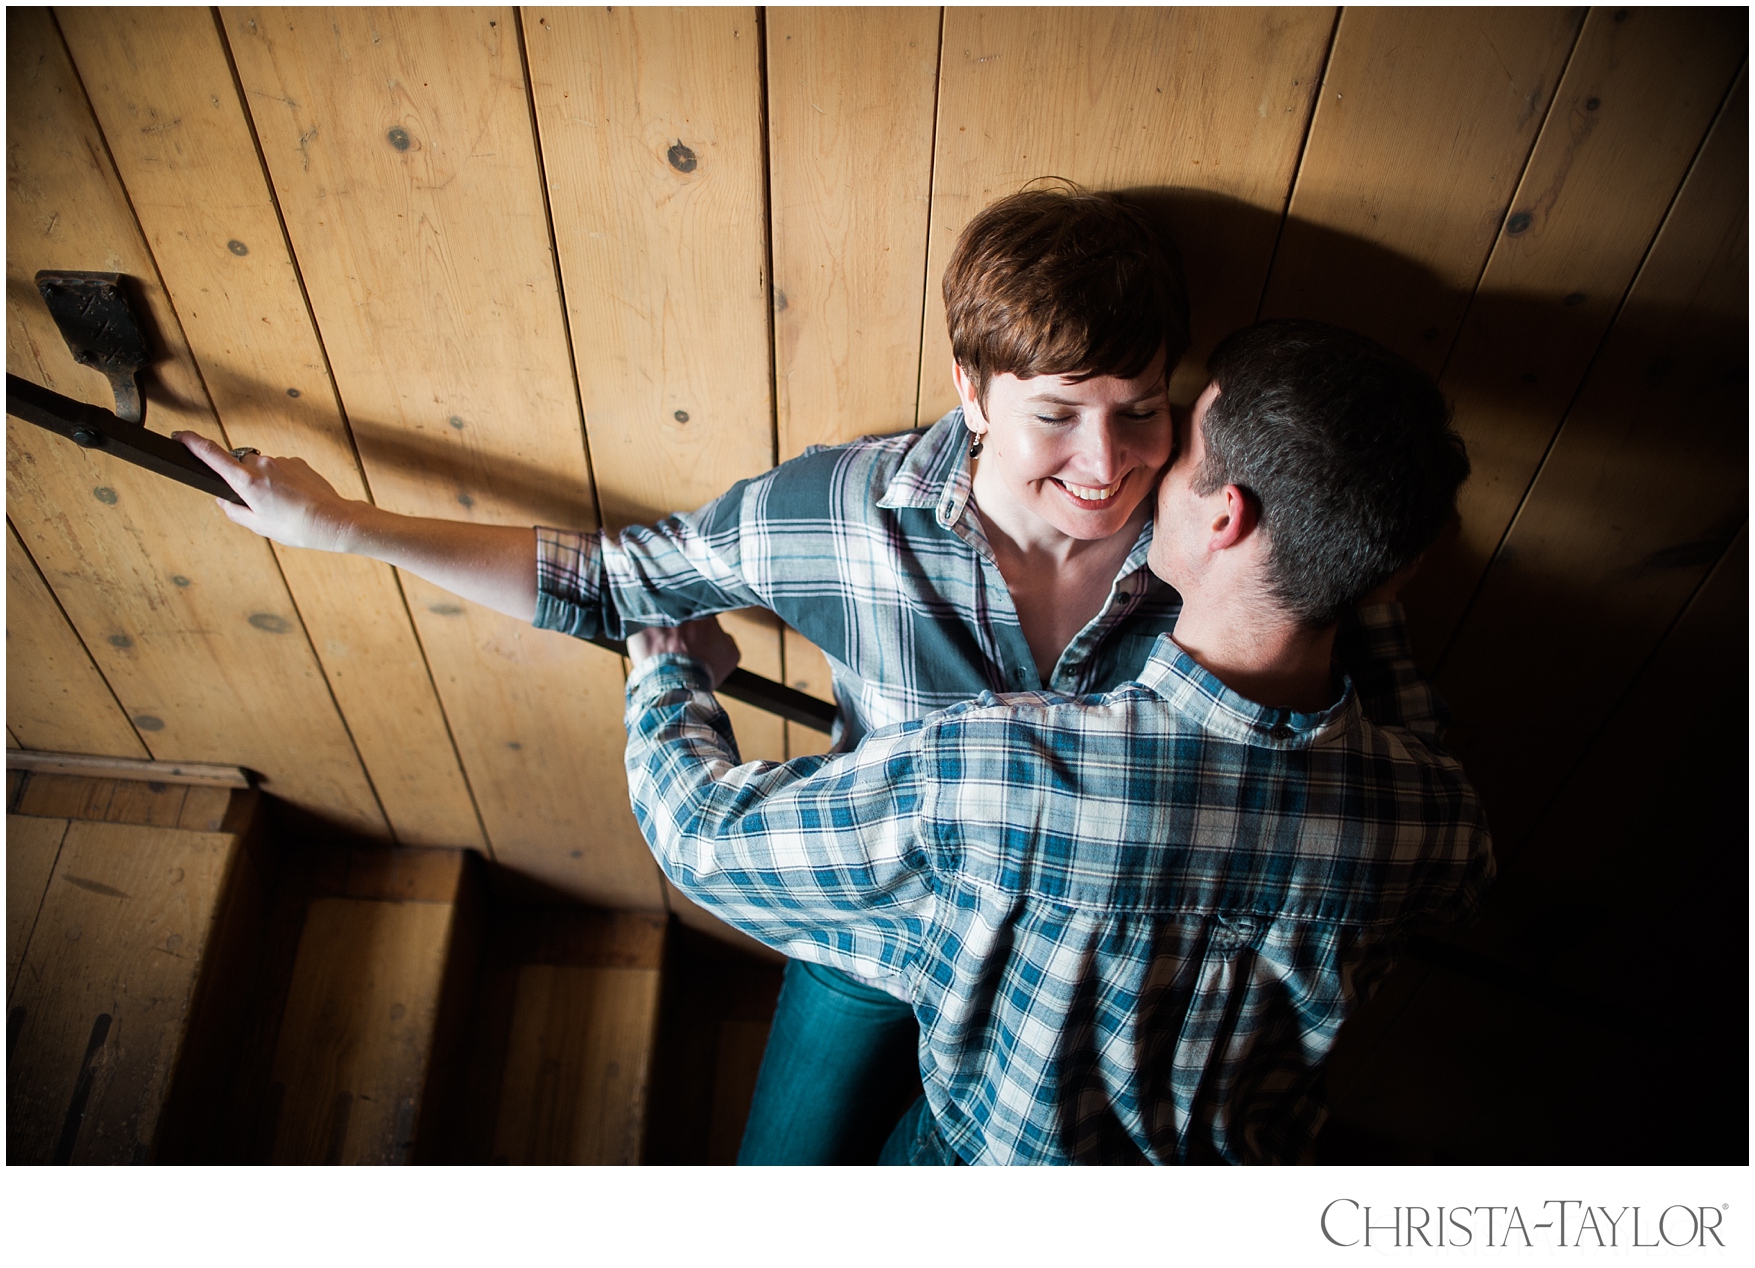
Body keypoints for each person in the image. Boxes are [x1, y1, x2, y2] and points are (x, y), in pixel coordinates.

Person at [179, 183, 1203, 1163]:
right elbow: (614, 579)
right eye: (1059, 415)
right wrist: (342, 526)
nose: (1107, 464)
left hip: (1061, 986)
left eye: (1141, 411)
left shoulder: (1203, 553)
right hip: (867, 936)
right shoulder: (843, 515)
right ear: (972, 390)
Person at [621, 319, 1494, 1164]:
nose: (1125, 471)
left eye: (1179, 445)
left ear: (1224, 516)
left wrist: (666, 675)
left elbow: (699, 836)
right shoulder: (1441, 828)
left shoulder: (1001, 774)